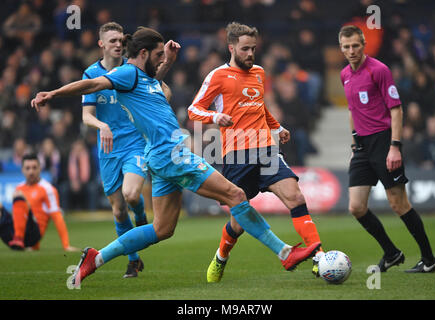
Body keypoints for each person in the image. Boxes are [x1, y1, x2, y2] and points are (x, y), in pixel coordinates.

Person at [31, 26, 321, 287]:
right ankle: (285, 252)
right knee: (236, 196)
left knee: (162, 229)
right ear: (143, 53)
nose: (161, 59)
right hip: (171, 155)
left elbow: (153, 79)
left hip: (159, 158)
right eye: (157, 55)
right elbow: (92, 85)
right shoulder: (128, 74)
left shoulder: (143, 78)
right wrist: (52, 94)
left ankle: (96, 258)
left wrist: (167, 59)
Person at [188, 22, 324, 283]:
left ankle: (320, 257)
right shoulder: (217, 76)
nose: (251, 54)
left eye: (253, 48)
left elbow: (259, 107)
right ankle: (221, 257)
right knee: (239, 223)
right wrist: (216, 116)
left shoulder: (260, 73)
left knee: (295, 197)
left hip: (265, 150)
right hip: (236, 154)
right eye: (245, 49)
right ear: (231, 48)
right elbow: (194, 110)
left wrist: (277, 126)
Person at [339, 25, 435, 273]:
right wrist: (354, 143)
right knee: (356, 207)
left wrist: (395, 147)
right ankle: (392, 253)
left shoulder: (379, 70)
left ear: (363, 45)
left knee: (398, 204)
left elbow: (396, 109)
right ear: (341, 48)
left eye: (355, 45)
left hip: (384, 142)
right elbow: (353, 110)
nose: (351, 51)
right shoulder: (344, 75)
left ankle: (429, 260)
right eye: (346, 47)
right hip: (362, 145)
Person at [81, 22, 150, 278]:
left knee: (132, 195)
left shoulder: (132, 71)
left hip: (135, 143)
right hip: (108, 148)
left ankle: (141, 215)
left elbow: (156, 88)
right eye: (113, 41)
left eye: (121, 40)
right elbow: (87, 116)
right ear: (101, 44)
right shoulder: (90, 74)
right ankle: (133, 260)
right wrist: (102, 126)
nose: (119, 44)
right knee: (119, 210)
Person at [2, 153, 79, 252]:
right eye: (28, 168)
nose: (31, 171)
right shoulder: (19, 187)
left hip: (33, 235)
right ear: (22, 170)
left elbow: (57, 216)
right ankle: (18, 240)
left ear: (40, 169)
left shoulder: (47, 189)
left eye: (34, 168)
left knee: (19, 197)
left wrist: (66, 245)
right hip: (16, 234)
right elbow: (17, 216)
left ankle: (25, 242)